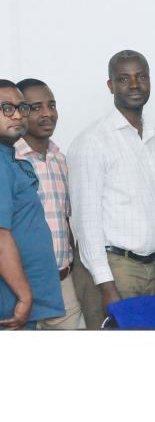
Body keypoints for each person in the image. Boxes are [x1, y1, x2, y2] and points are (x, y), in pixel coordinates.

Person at [67, 50, 155, 328]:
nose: (134, 84)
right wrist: (106, 286)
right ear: (111, 85)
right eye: (124, 78)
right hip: (114, 269)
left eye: (141, 77)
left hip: (152, 268)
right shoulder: (92, 141)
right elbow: (86, 220)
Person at [15, 78, 82, 329]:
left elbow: (67, 220)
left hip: (62, 284)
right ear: (20, 112)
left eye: (51, 105)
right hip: (19, 286)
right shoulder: (9, 161)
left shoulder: (60, 160)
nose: (47, 114)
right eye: (35, 107)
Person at [0, 79, 63, 330]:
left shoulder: (10, 158)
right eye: (6, 108)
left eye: (21, 107)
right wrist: (25, 296)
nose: (16, 115)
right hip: (12, 302)